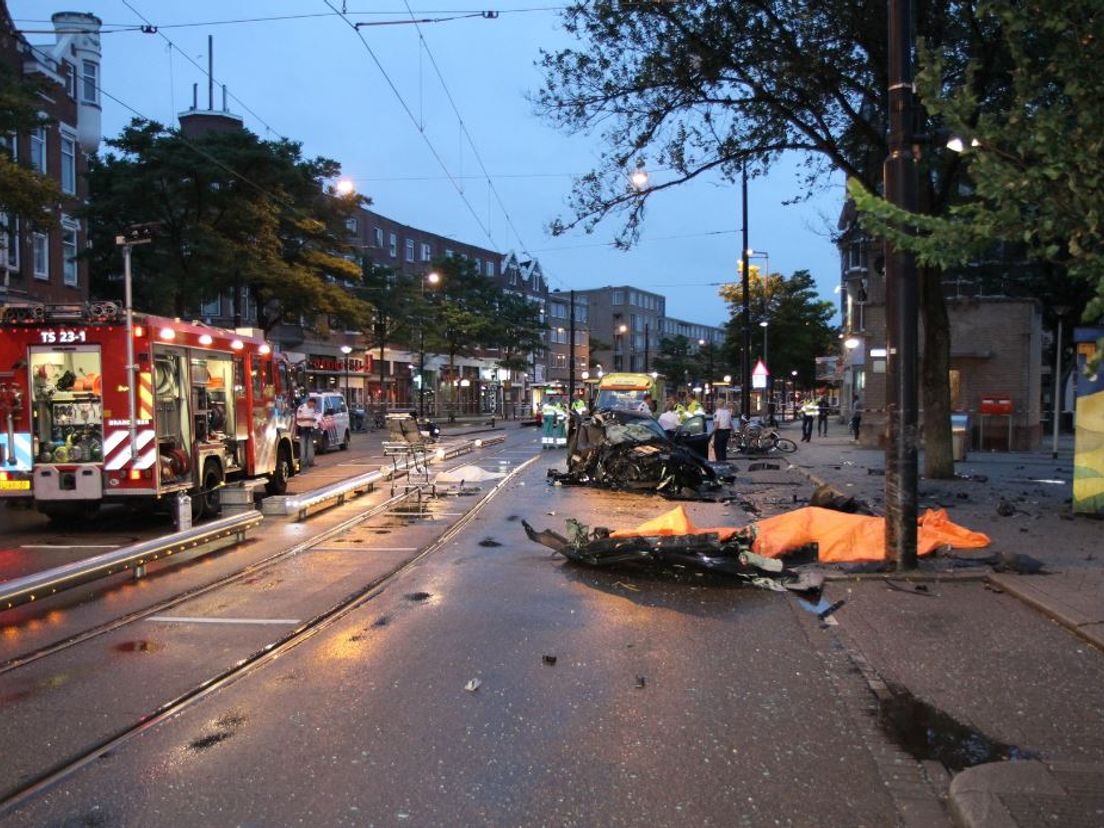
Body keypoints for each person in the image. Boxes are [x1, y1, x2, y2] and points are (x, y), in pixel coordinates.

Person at [296, 396, 320, 468]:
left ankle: (310, 461)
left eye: (314, 405)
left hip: (309, 428)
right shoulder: (302, 408)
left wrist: (315, 422)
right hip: (303, 428)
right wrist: (309, 419)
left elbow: (313, 418)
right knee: (303, 446)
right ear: (309, 402)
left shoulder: (312, 409)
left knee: (310, 446)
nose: (312, 406)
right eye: (312, 405)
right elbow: (299, 419)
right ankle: (303, 463)